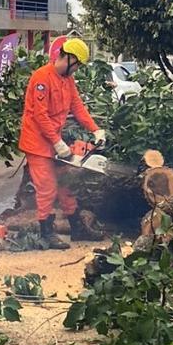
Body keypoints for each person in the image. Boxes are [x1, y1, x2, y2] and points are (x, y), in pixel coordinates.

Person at [18, 37, 107, 249]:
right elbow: (40, 116)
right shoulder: (41, 78)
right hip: (37, 142)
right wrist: (58, 143)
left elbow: (77, 106)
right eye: (77, 65)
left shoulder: (68, 81)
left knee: (66, 181)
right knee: (47, 186)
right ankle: (45, 232)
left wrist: (95, 129)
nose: (76, 69)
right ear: (68, 58)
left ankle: (76, 227)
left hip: (54, 140)